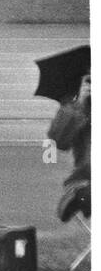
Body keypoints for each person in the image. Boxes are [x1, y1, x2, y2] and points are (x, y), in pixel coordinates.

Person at [48, 74, 90, 222]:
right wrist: (80, 104)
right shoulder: (78, 107)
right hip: (87, 176)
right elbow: (59, 141)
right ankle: (78, 195)